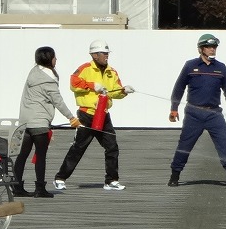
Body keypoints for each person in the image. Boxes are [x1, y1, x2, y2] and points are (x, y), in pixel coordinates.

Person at [53, 39, 134, 191]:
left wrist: (124, 91)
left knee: (112, 147)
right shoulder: (85, 69)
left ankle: (111, 181)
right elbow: (73, 84)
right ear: (94, 55)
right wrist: (92, 86)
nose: (106, 56)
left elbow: (114, 92)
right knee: (79, 147)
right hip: (87, 114)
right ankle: (60, 178)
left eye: (107, 53)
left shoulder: (112, 72)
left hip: (103, 114)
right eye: (104, 53)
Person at [167, 34, 226, 188]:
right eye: (209, 47)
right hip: (193, 114)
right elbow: (178, 88)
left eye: (214, 47)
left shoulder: (221, 68)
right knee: (185, 145)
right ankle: (174, 176)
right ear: (201, 49)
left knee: (225, 144)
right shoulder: (190, 66)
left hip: (214, 114)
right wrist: (174, 109)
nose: (212, 49)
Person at [12, 46, 81, 197]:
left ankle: (16, 187)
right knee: (40, 156)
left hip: (25, 122)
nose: (56, 59)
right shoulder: (49, 80)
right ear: (49, 58)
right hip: (39, 122)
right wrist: (71, 118)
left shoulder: (33, 73)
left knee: (22, 155)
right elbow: (58, 101)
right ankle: (40, 189)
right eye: (54, 57)